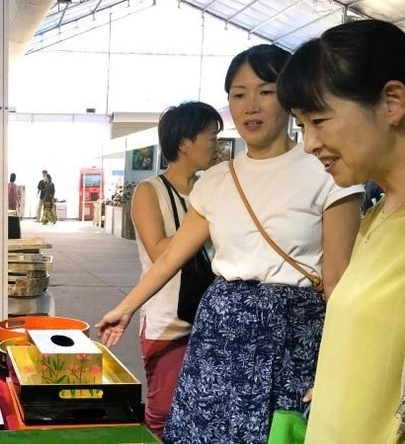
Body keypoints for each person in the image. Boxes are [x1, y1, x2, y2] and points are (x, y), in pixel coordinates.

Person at [96, 44, 363, 444]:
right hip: (220, 334)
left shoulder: (328, 173)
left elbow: (339, 281)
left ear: (289, 96)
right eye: (239, 95)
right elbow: (169, 258)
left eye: (265, 91)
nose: (250, 106)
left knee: (277, 432)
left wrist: (338, 370)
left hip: (293, 337)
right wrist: (126, 307)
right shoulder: (216, 181)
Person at [277, 19, 405, 443]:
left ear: (392, 102)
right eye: (301, 127)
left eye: (318, 120)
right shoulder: (377, 218)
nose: (310, 143)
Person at [130, 101, 223, 438]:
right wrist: (207, 226)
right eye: (210, 137)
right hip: (167, 320)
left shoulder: (213, 189)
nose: (216, 145)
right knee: (163, 411)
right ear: (185, 143)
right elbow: (158, 251)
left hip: (210, 317)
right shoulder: (148, 192)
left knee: (204, 409)